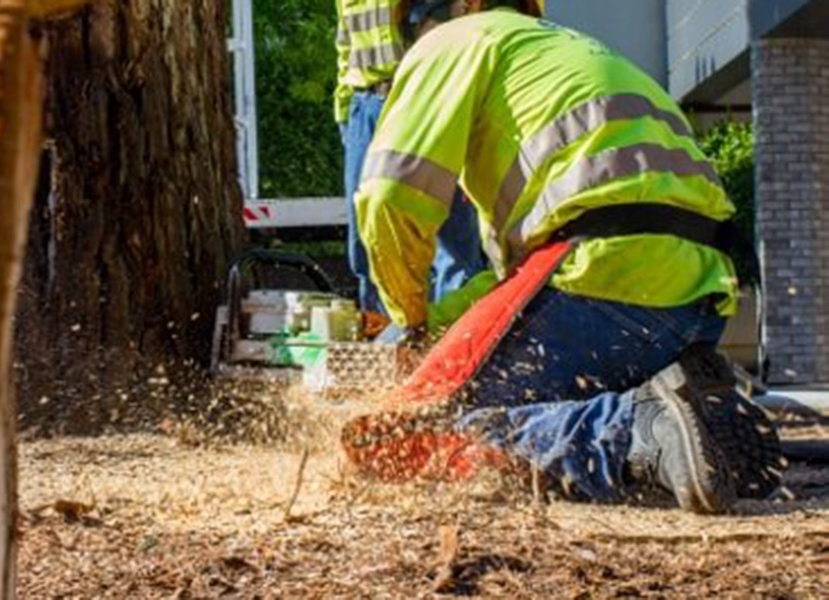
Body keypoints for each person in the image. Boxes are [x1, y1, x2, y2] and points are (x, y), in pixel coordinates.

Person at [343, 0, 783, 514]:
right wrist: (439, 325)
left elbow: (388, 197)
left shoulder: (456, 40)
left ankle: (631, 432)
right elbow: (514, 287)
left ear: (466, 4)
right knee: (543, 395)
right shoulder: (560, 58)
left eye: (415, 19)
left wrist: (412, 321)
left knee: (405, 432)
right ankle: (699, 420)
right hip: (696, 298)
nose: (412, 38)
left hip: (602, 275)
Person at [335, 0, 487, 320]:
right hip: (366, 106)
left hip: (427, 97)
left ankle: (457, 347)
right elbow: (345, 46)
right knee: (367, 240)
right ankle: (385, 343)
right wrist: (346, 116)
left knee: (453, 236)